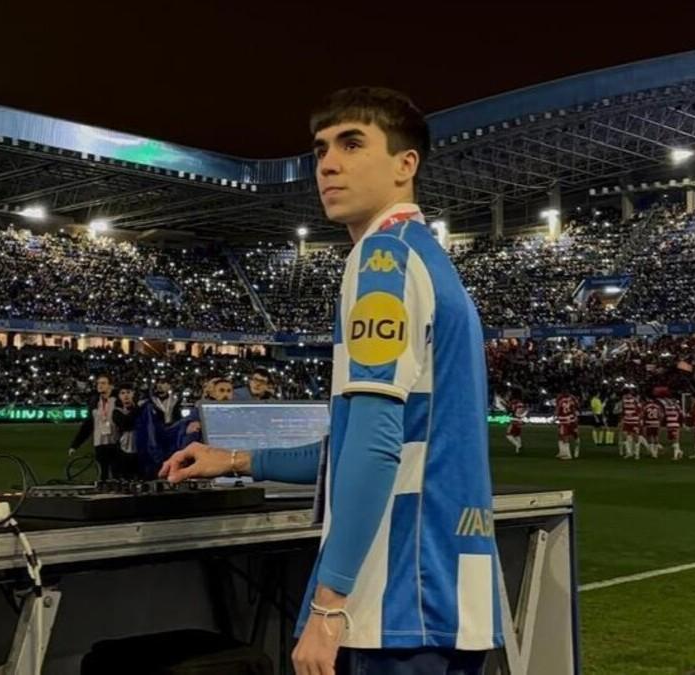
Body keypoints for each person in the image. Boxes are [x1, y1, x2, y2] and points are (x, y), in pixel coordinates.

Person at [159, 87, 499, 675]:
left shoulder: (381, 263)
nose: (328, 164)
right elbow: (364, 444)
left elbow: (374, 444)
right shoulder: (431, 260)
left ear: (405, 165)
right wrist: (236, 461)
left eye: (352, 143)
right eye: (320, 150)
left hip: (395, 596)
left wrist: (328, 606)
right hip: (443, 592)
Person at [67, 374, 138, 481]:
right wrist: (75, 445)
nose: (100, 385)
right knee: (103, 475)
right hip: (100, 443)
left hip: (116, 443)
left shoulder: (118, 400)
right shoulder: (94, 402)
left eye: (103, 383)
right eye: (98, 383)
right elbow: (88, 425)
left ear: (111, 386)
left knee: (117, 475)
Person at [554, 391, 579, 460]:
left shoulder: (560, 399)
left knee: (564, 436)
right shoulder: (572, 399)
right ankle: (562, 452)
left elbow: (557, 409)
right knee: (562, 435)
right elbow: (576, 407)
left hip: (564, 420)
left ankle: (567, 454)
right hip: (571, 419)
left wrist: (555, 416)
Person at [505, 387, 527, 453]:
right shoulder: (520, 403)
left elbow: (511, 412)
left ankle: (518, 445)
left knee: (508, 435)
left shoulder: (513, 403)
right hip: (519, 420)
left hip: (514, 420)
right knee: (517, 435)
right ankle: (518, 450)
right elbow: (522, 411)